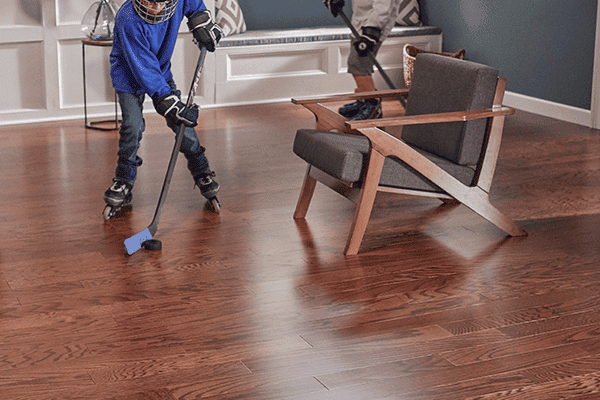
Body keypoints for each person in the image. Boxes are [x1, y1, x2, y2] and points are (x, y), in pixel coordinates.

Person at [104, 0, 222, 216]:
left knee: (182, 126)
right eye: (148, 1)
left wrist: (201, 23)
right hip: (129, 76)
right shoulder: (127, 19)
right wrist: (170, 103)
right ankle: (123, 181)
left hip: (159, 71)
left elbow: (195, 6)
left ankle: (202, 171)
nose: (154, 8)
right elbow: (144, 69)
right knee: (133, 126)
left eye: (160, 2)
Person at [323, 0, 402, 120]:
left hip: (373, 26)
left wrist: (372, 30)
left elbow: (384, 7)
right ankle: (363, 101)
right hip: (359, 23)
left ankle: (373, 107)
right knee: (362, 65)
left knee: (358, 65)